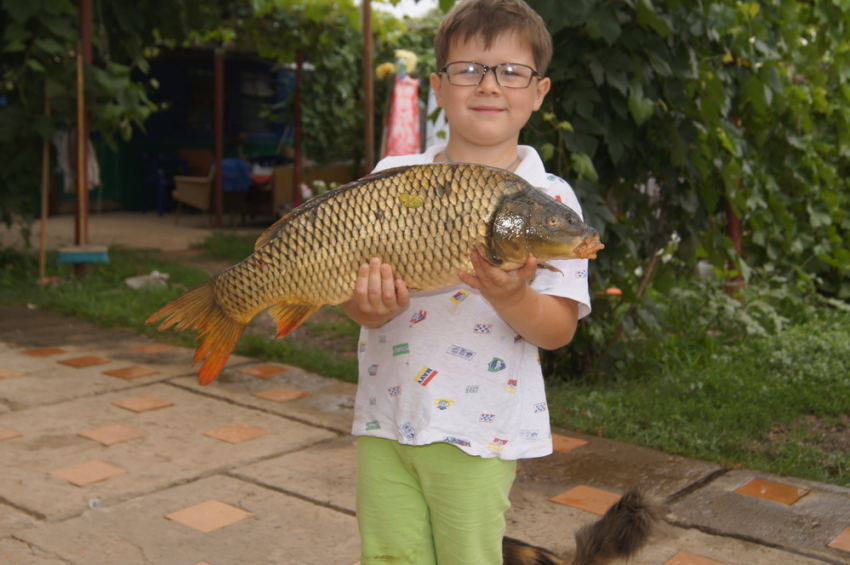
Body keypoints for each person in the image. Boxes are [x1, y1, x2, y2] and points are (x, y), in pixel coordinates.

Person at [343, 1, 592, 563]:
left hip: (481, 433)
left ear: (539, 91)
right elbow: (360, 308)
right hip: (386, 418)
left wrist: (514, 296)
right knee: (388, 555)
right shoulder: (393, 180)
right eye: (468, 69)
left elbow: (557, 331)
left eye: (510, 71)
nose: (488, 85)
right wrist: (368, 307)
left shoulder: (551, 204)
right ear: (439, 86)